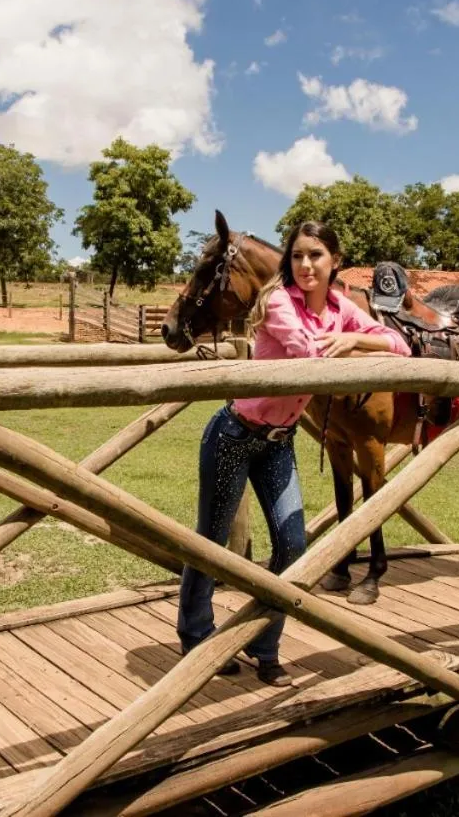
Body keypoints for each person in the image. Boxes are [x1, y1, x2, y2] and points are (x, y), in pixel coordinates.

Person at [177, 220, 412, 686]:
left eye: (316, 256)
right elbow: (310, 357)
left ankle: (264, 644)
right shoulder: (280, 301)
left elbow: (400, 346)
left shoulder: (342, 308)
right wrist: (353, 344)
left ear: (335, 262)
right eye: (298, 255)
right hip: (235, 435)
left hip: (279, 442)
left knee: (292, 545)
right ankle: (196, 637)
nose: (306, 265)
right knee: (212, 542)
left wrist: (357, 338)